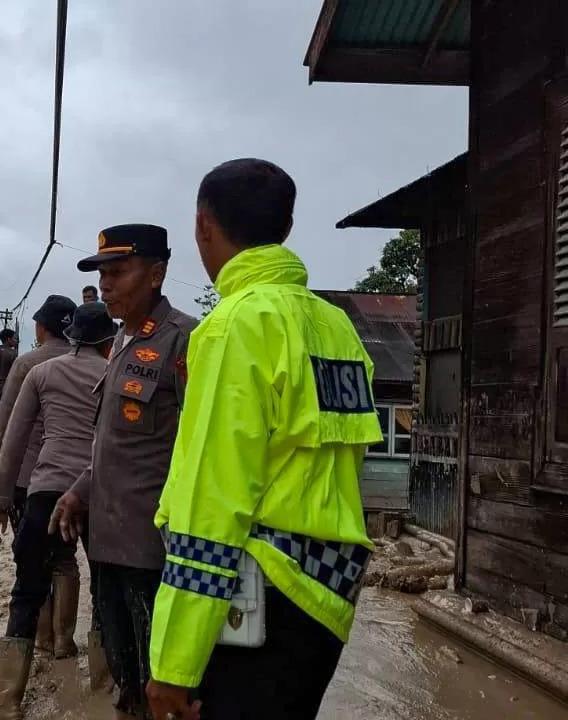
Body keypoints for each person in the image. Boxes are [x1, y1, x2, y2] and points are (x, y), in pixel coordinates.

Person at [141, 160, 381, 720]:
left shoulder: (234, 326)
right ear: (286, 228)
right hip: (327, 596)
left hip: (255, 605)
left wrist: (173, 665)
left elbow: (212, 498)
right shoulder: (337, 326)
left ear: (203, 226)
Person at [51, 223, 198, 719]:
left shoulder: (185, 341)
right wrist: (80, 491)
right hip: (108, 545)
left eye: (118, 272)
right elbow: (114, 442)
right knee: (125, 676)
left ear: (156, 275)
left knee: (165, 687)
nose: (106, 285)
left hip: (155, 553)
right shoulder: (120, 343)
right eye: (102, 274)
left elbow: (198, 448)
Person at [0, 302, 117, 718]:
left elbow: (14, 439)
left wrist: (0, 500)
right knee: (105, 590)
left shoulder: (40, 372)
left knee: (26, 591)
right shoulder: (114, 373)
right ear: (108, 342)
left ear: (71, 336)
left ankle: (7, 702)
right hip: (98, 493)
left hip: (45, 491)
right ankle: (102, 692)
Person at [0, 294, 78, 661]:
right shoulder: (92, 362)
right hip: (76, 479)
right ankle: (65, 639)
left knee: (30, 557)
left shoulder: (28, 364)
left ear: (41, 328)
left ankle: (42, 636)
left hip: (28, 478)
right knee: (65, 556)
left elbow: (7, 425)